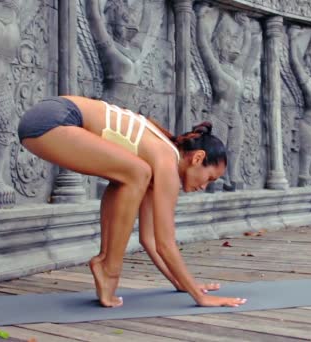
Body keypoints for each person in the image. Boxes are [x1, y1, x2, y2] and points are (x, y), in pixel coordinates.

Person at [18, 95, 248, 308]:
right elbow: (165, 243)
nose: (205, 186)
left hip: (48, 117)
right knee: (137, 171)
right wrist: (200, 298)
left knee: (132, 174)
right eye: (209, 178)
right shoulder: (167, 160)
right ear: (198, 158)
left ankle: (105, 263)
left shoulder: (157, 163)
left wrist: (182, 284)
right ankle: (109, 268)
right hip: (54, 120)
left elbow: (149, 240)